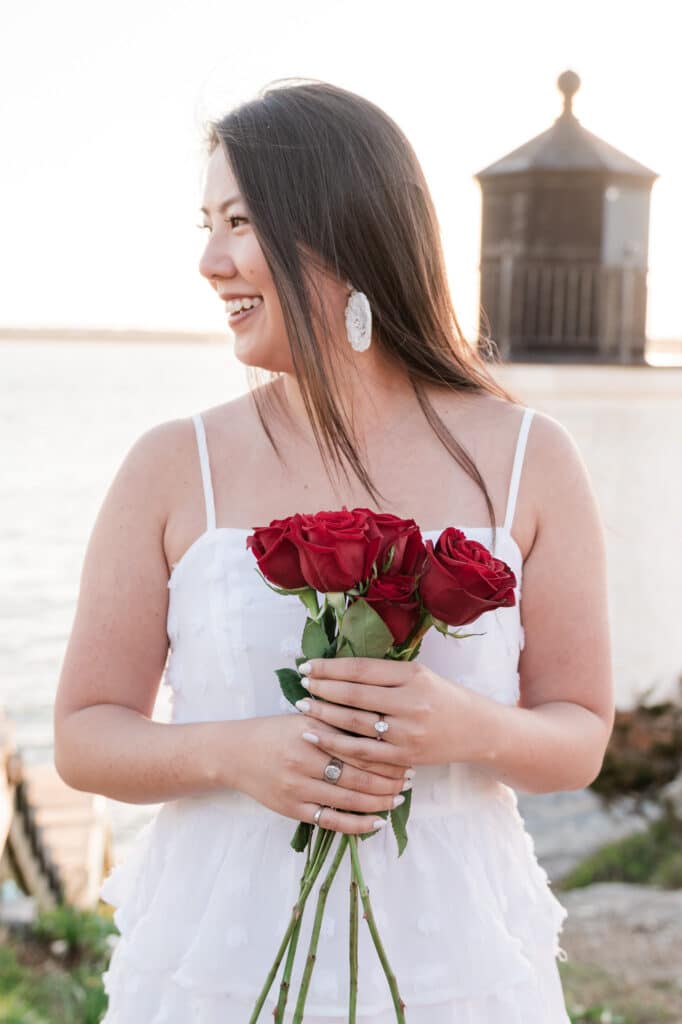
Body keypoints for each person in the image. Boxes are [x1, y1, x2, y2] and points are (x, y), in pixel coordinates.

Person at [53, 78, 614, 1023]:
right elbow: (83, 735)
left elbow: (579, 734)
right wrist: (239, 756)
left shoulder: (529, 459)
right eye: (205, 223)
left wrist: (462, 727)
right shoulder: (169, 464)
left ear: (339, 232)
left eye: (239, 223)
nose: (209, 260)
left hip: (454, 958)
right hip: (220, 954)